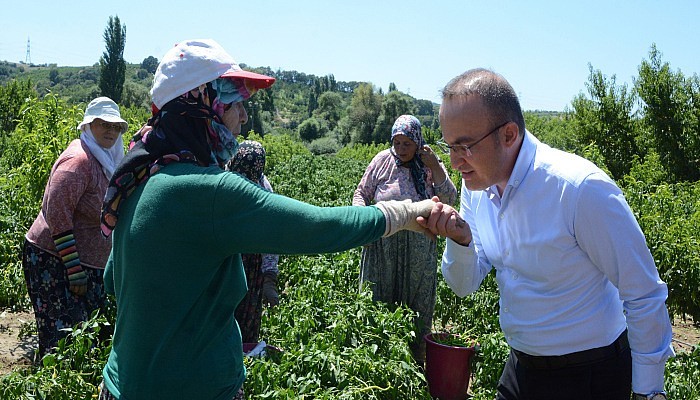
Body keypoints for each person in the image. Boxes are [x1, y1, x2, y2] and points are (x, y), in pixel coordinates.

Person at [97, 39, 436, 400]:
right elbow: (319, 228)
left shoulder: (136, 178)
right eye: (237, 103)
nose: (244, 116)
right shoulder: (209, 192)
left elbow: (112, 281)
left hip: (120, 384)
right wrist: (407, 212)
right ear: (204, 104)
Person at [419, 68, 674, 400]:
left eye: (465, 147)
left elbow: (643, 294)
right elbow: (463, 285)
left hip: (590, 376)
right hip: (522, 369)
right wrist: (462, 240)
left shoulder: (579, 190)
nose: (454, 162)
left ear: (509, 135)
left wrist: (648, 392)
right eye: (449, 146)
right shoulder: (477, 188)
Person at [22, 96, 127, 358]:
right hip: (54, 260)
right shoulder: (79, 161)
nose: (111, 132)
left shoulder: (106, 159)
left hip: (84, 265)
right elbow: (57, 212)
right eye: (104, 125)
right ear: (89, 126)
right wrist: (73, 269)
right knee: (63, 341)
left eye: (116, 127)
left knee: (86, 337)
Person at [352, 114, 456, 365]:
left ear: (418, 141)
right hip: (383, 245)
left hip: (419, 246)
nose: (401, 149)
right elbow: (361, 192)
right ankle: (376, 359)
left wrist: (436, 166)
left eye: (407, 143)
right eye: (397, 143)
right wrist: (362, 220)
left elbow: (449, 198)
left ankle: (414, 362)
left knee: (416, 303)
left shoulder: (429, 163)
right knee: (379, 298)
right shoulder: (381, 161)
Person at [225, 140, 280, 343]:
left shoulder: (263, 189)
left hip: (252, 262)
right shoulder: (221, 182)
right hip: (224, 256)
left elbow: (271, 234)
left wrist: (269, 277)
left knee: (248, 310)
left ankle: (245, 351)